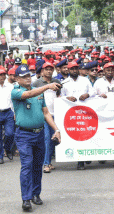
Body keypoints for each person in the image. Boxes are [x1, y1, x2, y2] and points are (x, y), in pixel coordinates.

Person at [11, 65, 61, 211]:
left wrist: (56, 129)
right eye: (24, 76)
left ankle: (35, 194)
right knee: (27, 165)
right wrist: (47, 87)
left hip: (39, 133)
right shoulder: (16, 91)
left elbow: (46, 113)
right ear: (17, 78)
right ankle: (26, 199)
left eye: (29, 76)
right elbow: (28, 95)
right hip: (24, 134)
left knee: (37, 166)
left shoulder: (39, 93)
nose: (27, 78)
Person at [61, 61, 96, 170]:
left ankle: (86, 155)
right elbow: (60, 97)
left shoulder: (85, 80)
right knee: (78, 136)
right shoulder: (65, 82)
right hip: (73, 114)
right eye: (72, 69)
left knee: (87, 134)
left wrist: (87, 94)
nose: (74, 71)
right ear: (69, 70)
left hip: (86, 112)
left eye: (76, 68)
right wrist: (67, 98)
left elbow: (93, 91)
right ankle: (80, 161)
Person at [93, 62, 114, 168]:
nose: (110, 72)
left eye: (112, 70)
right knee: (103, 135)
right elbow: (93, 96)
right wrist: (99, 96)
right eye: (107, 70)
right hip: (102, 113)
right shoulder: (98, 82)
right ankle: (102, 155)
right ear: (104, 71)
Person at [31, 62, 62, 172]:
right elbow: (32, 96)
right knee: (47, 138)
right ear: (42, 71)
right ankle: (46, 164)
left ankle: (47, 160)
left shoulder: (57, 82)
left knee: (54, 139)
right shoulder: (36, 83)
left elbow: (59, 95)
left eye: (51, 69)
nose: (49, 71)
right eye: (46, 69)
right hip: (42, 115)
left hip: (55, 114)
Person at [0, 66, 15, 164]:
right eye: (0, 75)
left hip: (8, 112)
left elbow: (13, 100)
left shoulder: (10, 86)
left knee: (10, 133)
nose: (2, 76)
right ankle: (0, 156)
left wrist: (15, 113)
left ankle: (8, 148)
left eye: (3, 74)